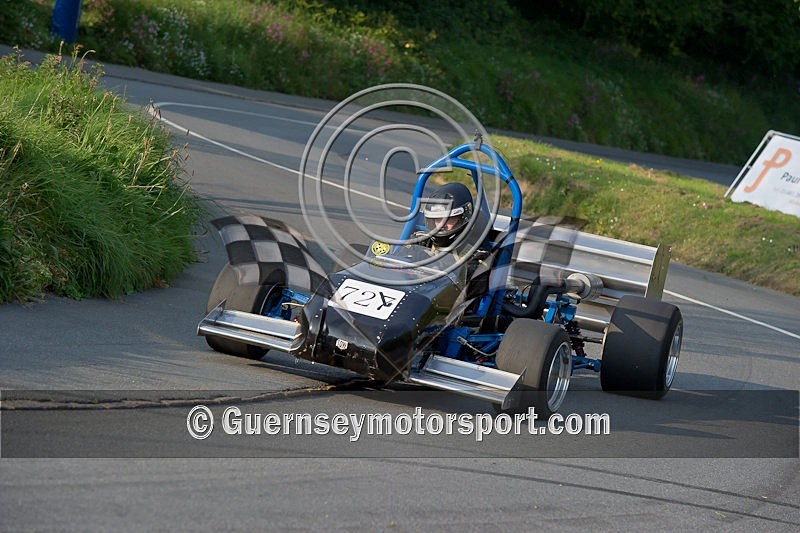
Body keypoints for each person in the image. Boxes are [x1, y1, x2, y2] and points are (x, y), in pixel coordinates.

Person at [422, 182, 475, 250]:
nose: (441, 225)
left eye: (448, 219)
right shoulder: (423, 241)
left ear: (462, 217)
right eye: (438, 218)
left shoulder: (474, 249)